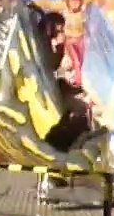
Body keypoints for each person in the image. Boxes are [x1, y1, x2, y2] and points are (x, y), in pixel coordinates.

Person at [38, 11, 94, 151]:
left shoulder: (59, 47)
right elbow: (49, 65)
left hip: (56, 85)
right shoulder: (43, 47)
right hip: (45, 89)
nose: (63, 33)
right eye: (60, 30)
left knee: (80, 109)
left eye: (63, 30)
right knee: (78, 111)